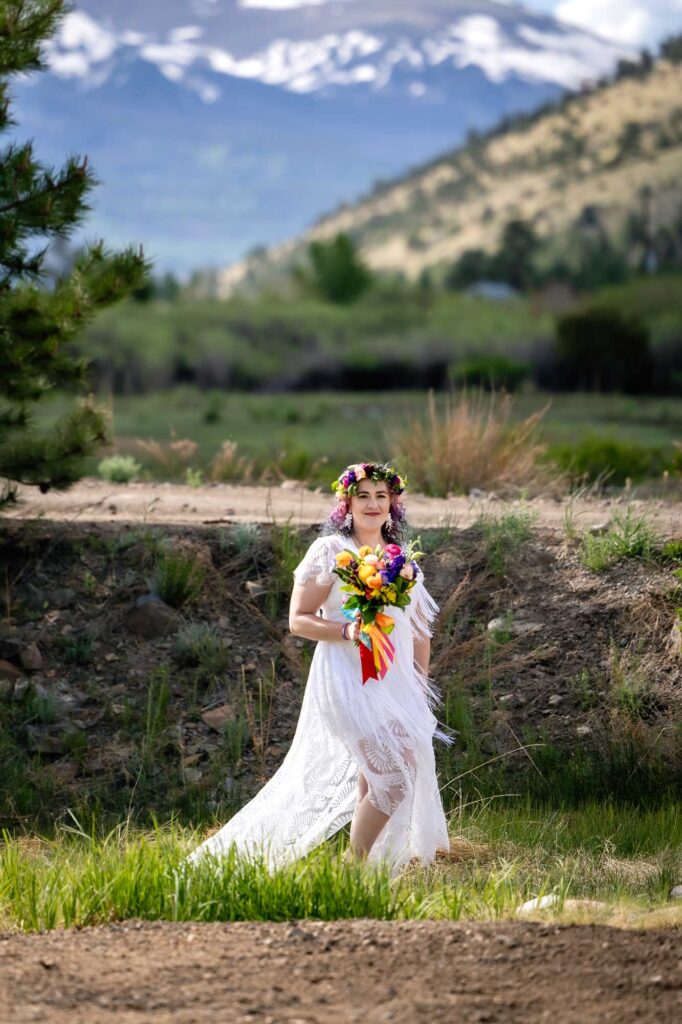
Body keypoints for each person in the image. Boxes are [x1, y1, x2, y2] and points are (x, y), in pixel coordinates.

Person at [188, 461, 454, 877]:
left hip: (394, 683)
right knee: (394, 776)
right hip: (346, 679)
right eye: (362, 496)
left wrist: (419, 687)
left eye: (381, 496)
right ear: (346, 502)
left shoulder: (402, 560)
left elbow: (420, 630)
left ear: (392, 504)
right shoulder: (329, 551)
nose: (372, 504)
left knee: (378, 775)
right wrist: (349, 629)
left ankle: (367, 876)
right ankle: (352, 867)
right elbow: (299, 619)